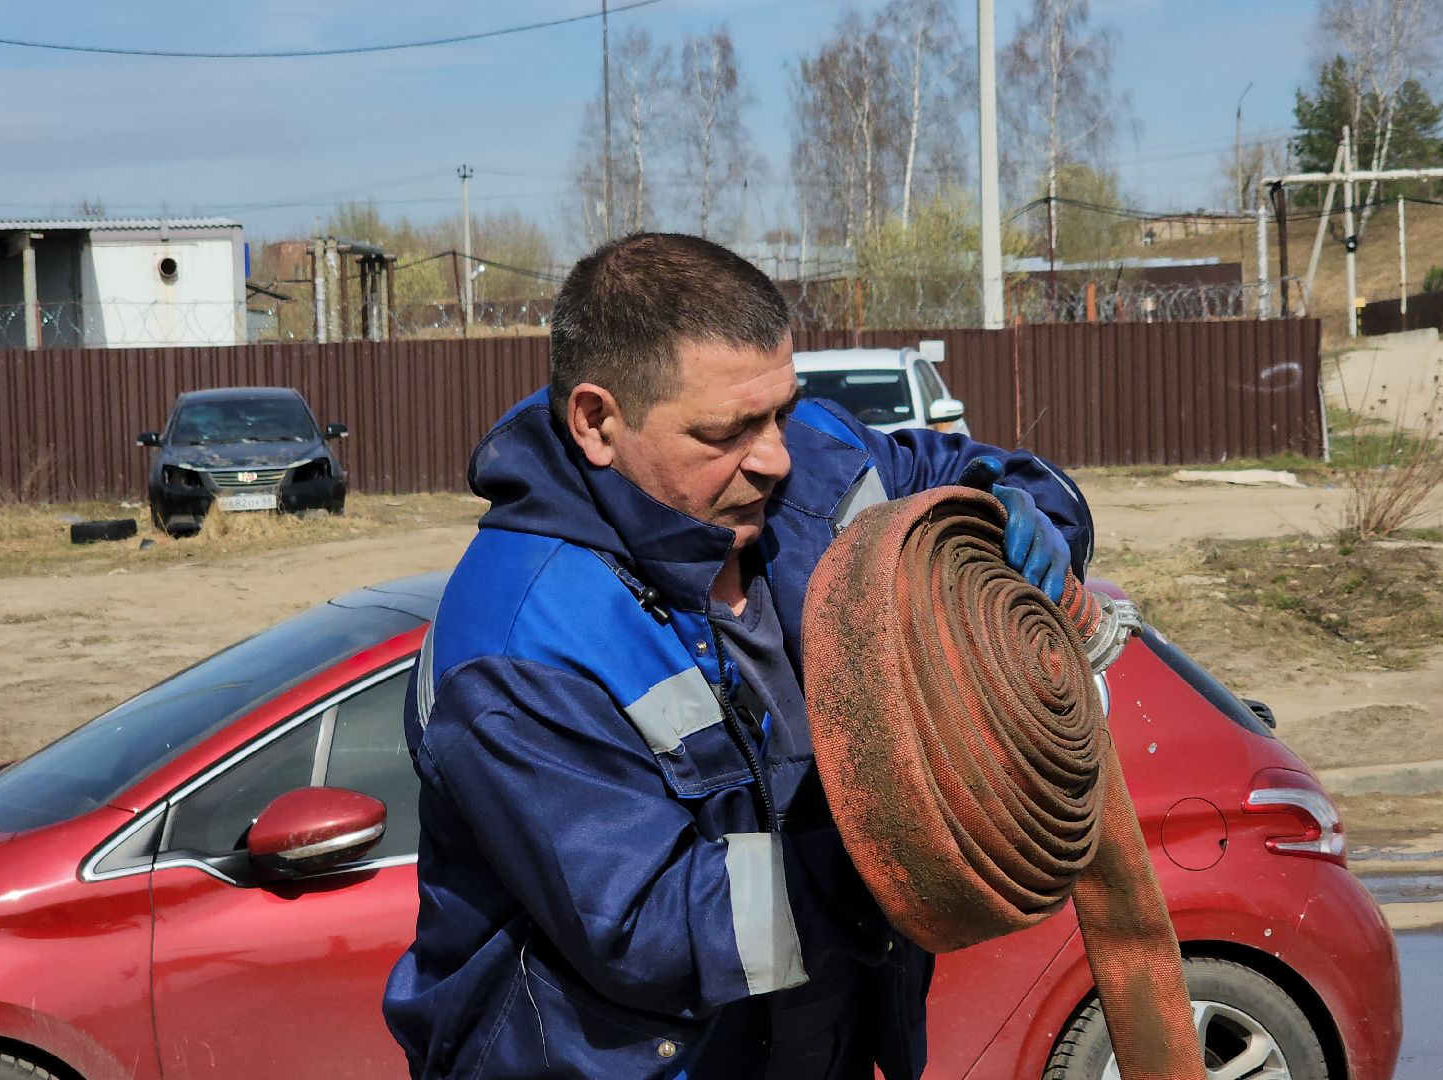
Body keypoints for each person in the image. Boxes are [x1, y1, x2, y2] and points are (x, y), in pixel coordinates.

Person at [383, 233, 1095, 1079]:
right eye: (727, 432)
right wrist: (910, 845)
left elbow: (966, 472)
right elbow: (649, 926)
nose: (776, 457)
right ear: (598, 422)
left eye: (781, 410)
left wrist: (1022, 510)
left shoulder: (813, 464)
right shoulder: (515, 645)